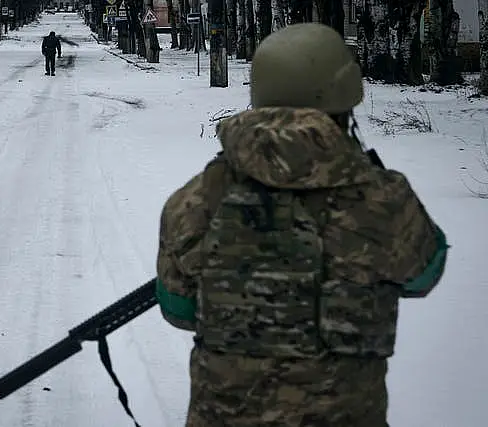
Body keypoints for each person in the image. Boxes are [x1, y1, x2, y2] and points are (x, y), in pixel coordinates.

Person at [155, 23, 449, 427]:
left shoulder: (196, 200)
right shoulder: (385, 199)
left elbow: (178, 309)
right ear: (346, 98)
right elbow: (424, 275)